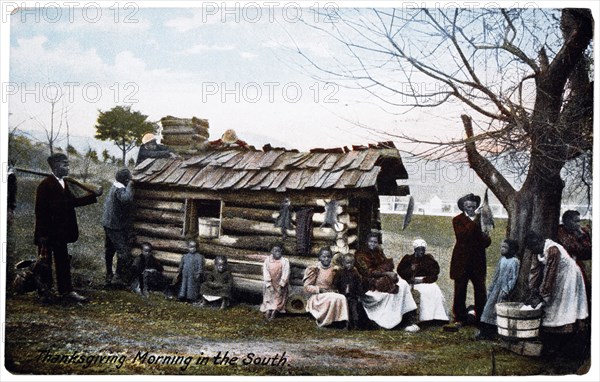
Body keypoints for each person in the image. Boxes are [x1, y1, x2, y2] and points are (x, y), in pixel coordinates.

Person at [34, 153, 102, 303]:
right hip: (47, 232)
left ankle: (66, 291)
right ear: (56, 165)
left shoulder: (64, 183)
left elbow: (72, 202)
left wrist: (93, 196)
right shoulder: (45, 186)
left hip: (61, 232)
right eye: (65, 164)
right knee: (44, 262)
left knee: (63, 261)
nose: (68, 167)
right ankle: (44, 292)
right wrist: (42, 235)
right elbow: (40, 212)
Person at [525, 232, 588, 357]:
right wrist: (533, 290)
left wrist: (542, 295)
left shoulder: (552, 250)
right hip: (558, 277)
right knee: (554, 307)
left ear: (539, 242)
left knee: (563, 306)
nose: (533, 251)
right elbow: (535, 271)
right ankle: (553, 341)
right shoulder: (537, 251)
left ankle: (565, 342)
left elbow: (550, 274)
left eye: (533, 247)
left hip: (568, 276)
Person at [355, 233, 419, 332]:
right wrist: (387, 273)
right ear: (367, 242)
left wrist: (387, 270)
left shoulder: (378, 251)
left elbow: (385, 262)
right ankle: (390, 321)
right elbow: (368, 272)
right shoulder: (360, 254)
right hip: (369, 279)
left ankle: (406, 318)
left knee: (403, 284)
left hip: (381, 275)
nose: (373, 244)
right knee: (394, 288)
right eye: (371, 242)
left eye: (375, 242)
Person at [449, 193, 491, 326]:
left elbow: (486, 242)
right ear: (463, 206)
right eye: (467, 204)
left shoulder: (482, 219)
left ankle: (481, 318)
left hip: (478, 262)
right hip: (461, 262)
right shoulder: (457, 220)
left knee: (480, 290)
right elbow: (463, 236)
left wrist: (485, 235)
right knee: (460, 290)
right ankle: (460, 318)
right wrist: (475, 222)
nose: (470, 207)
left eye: (473, 204)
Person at [397, 239, 449, 324]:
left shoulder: (428, 259)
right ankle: (423, 318)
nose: (421, 252)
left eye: (423, 249)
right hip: (412, 282)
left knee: (434, 290)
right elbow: (401, 272)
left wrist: (422, 280)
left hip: (425, 281)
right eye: (419, 249)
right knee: (422, 293)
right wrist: (410, 270)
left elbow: (434, 275)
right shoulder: (408, 258)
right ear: (415, 250)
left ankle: (437, 317)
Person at [477, 238, 520, 340]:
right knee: (488, 309)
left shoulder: (515, 261)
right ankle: (484, 332)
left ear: (512, 250)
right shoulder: (502, 260)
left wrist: (506, 290)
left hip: (503, 291)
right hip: (496, 289)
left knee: (499, 311)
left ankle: (493, 333)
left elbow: (513, 278)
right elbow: (496, 275)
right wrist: (491, 288)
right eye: (501, 247)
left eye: (505, 247)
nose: (502, 249)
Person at [102, 168, 135, 286]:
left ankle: (109, 274)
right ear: (126, 180)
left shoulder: (115, 186)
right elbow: (126, 199)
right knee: (123, 252)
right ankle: (117, 277)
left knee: (110, 250)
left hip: (109, 223)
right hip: (114, 225)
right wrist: (131, 186)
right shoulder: (119, 189)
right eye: (129, 178)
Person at [303, 247, 349, 327]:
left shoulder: (333, 269)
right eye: (324, 257)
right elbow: (307, 286)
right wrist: (319, 290)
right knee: (331, 298)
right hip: (318, 296)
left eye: (328, 257)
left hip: (329, 293)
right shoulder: (315, 269)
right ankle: (326, 322)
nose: (326, 259)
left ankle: (341, 321)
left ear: (331, 258)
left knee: (341, 297)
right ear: (319, 258)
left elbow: (335, 284)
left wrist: (335, 289)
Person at [557, 210, 591, 308]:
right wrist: (580, 236)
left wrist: (581, 235)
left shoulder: (580, 232)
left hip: (577, 266)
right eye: (575, 221)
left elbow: (588, 253)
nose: (578, 224)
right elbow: (571, 247)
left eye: (578, 221)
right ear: (566, 221)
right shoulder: (560, 231)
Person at [332, 254, 364, 330]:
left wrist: (359, 295)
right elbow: (335, 283)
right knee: (344, 311)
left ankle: (356, 325)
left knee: (354, 311)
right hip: (342, 296)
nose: (349, 265)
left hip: (353, 296)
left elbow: (359, 284)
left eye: (351, 263)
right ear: (343, 263)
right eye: (347, 262)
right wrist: (335, 290)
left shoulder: (355, 273)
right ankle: (345, 325)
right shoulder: (340, 273)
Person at [260, 244, 290, 320]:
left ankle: (274, 311)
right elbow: (265, 272)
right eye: (275, 251)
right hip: (270, 282)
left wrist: (281, 285)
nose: (277, 253)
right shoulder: (267, 260)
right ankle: (268, 311)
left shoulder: (284, 261)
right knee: (268, 298)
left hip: (279, 283)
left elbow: (285, 273)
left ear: (281, 251)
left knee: (278, 298)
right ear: (271, 251)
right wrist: (269, 284)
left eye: (279, 251)